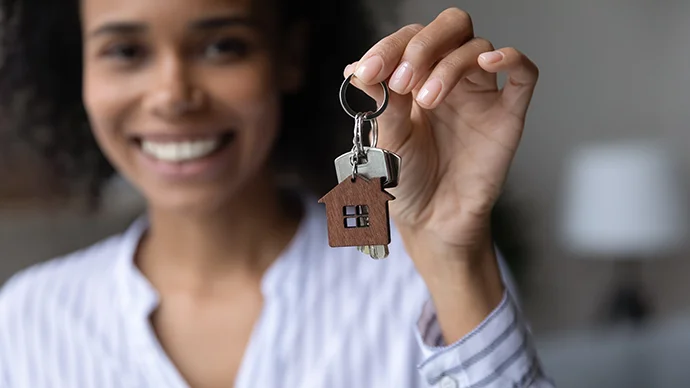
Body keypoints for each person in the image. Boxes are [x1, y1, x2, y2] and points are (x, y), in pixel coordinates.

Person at [0, 0, 552, 386]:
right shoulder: (29, 319)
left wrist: (452, 258)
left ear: (289, 56)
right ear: (79, 69)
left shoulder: (424, 286)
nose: (172, 95)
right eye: (124, 52)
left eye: (222, 46)